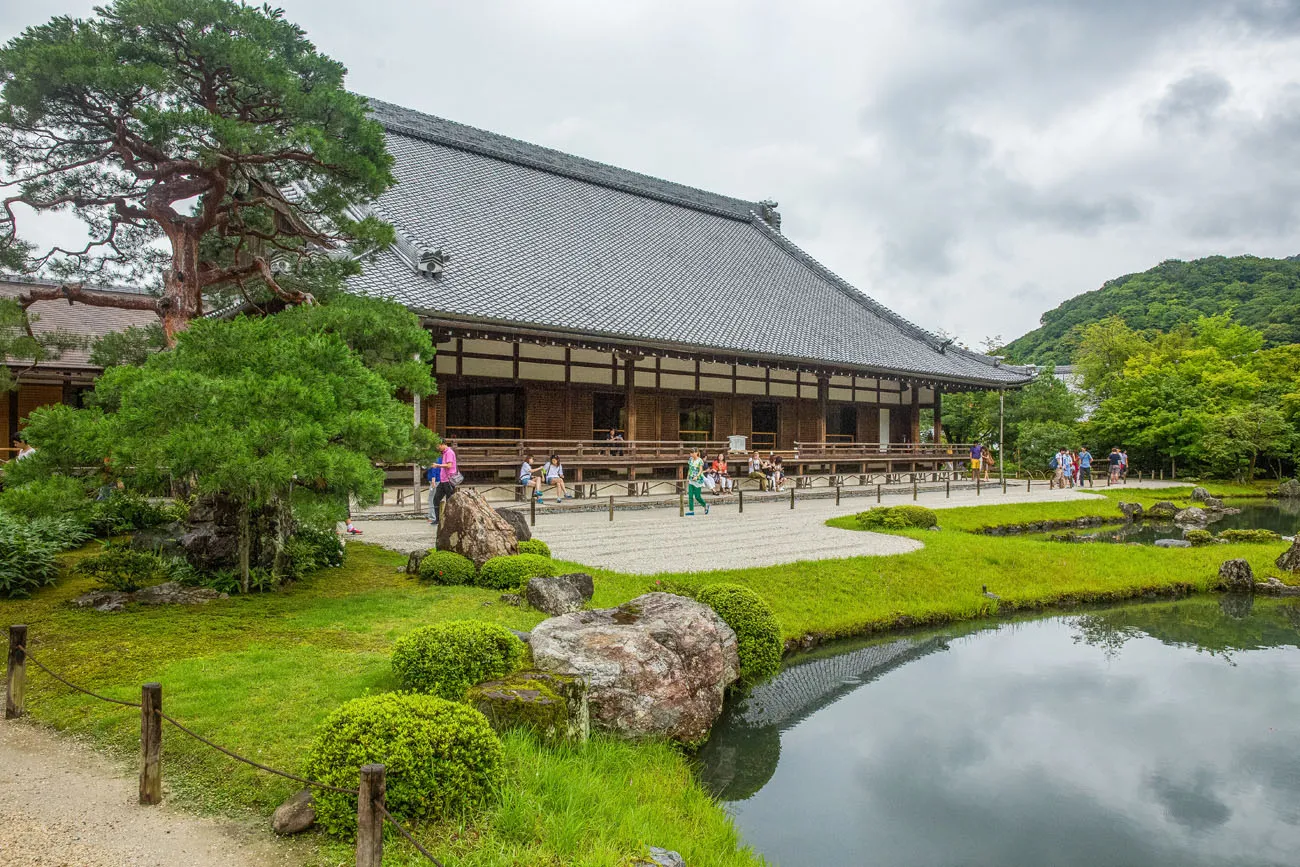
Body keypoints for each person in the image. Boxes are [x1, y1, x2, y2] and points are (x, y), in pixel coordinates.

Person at [429, 442, 460, 525]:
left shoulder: (449, 452)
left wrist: (438, 465)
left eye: (438, 446)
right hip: (443, 480)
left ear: (443, 444)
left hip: (449, 480)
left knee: (449, 500)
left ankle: (450, 519)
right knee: (436, 499)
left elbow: (449, 465)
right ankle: (438, 519)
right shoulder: (444, 453)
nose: (438, 448)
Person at [685, 448, 709, 516]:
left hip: (698, 480)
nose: (691, 454)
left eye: (692, 453)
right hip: (691, 479)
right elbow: (690, 468)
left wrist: (697, 476)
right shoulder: (690, 459)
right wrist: (687, 476)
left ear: (696, 453)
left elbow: (701, 470)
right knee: (690, 496)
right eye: (690, 453)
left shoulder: (700, 460)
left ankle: (705, 505)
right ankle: (691, 510)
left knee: (697, 496)